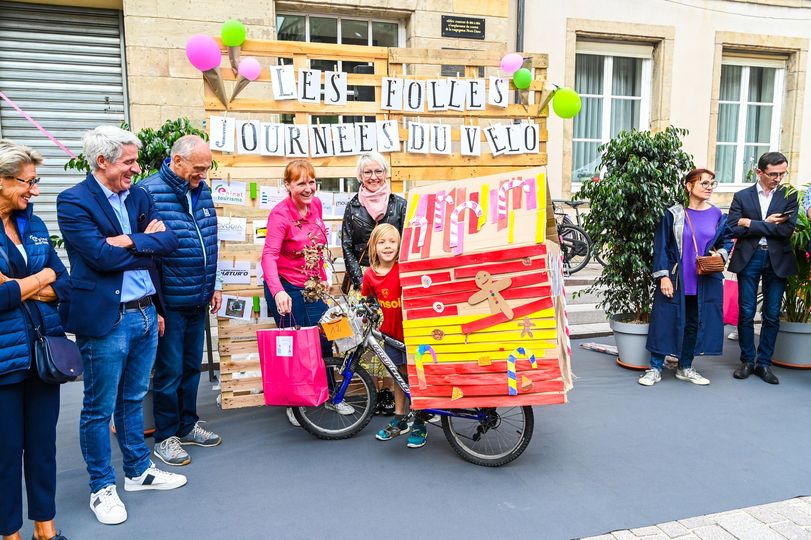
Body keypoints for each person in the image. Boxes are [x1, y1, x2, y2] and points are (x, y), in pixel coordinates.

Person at [56, 126, 183, 526]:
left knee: (132, 400)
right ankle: (101, 487)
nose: (136, 167)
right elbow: (98, 257)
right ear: (102, 161)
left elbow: (170, 242)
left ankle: (138, 471)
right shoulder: (72, 201)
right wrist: (141, 240)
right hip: (106, 319)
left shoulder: (140, 195)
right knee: (98, 409)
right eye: (128, 161)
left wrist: (125, 242)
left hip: (146, 311)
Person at [139, 135, 223, 468]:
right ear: (177, 161)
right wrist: (153, 303)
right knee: (169, 370)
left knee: (191, 367)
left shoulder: (201, 190)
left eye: (206, 168)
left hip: (198, 295)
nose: (202, 174)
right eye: (198, 168)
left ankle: (188, 424)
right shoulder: (148, 193)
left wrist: (214, 283)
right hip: (170, 299)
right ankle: (166, 436)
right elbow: (143, 252)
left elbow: (210, 240)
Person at [0, 141, 70, 540]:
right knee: (6, 453)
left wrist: (32, 282)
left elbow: (65, 284)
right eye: (27, 182)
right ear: (1, 181)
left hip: (45, 353)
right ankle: (10, 533)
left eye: (36, 181)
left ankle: (46, 528)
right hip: (3, 360)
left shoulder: (36, 226)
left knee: (42, 448)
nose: (35, 190)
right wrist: (41, 279)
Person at [261, 159, 354, 426]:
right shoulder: (280, 215)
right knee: (295, 348)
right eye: (301, 182)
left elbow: (316, 248)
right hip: (286, 286)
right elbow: (269, 255)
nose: (308, 188)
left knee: (324, 339)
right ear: (288, 185)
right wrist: (278, 292)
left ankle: (332, 396)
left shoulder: (317, 206)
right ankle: (295, 401)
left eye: (311, 181)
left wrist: (323, 278)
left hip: (311, 286)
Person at [640, 168, 733, 387]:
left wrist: (720, 253)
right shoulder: (674, 213)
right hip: (676, 278)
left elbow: (727, 240)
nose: (709, 188)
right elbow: (661, 246)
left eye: (712, 183)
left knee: (694, 323)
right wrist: (663, 277)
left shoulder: (717, 214)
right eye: (704, 183)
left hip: (704, 281)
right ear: (689, 186)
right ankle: (654, 368)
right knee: (664, 321)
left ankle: (686, 366)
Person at [341, 152, 406, 414]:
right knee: (368, 339)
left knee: (392, 336)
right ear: (359, 176)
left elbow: (408, 242)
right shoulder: (352, 206)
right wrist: (362, 280)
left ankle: (392, 393)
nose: (373, 177)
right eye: (367, 172)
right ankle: (377, 391)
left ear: (386, 173)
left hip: (393, 279)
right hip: (365, 280)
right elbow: (346, 246)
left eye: (378, 171)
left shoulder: (399, 205)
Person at [728, 152, 798, 385]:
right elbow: (733, 229)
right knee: (747, 311)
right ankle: (747, 360)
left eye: (782, 174)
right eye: (773, 174)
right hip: (750, 257)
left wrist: (750, 223)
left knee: (771, 314)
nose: (778, 178)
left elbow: (785, 231)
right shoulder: (741, 196)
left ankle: (764, 363)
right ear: (760, 172)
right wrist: (767, 224)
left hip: (777, 259)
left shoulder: (790, 196)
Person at [361, 224, 426, 447]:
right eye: (382, 242)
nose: (387, 246)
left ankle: (419, 421)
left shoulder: (404, 268)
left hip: (412, 334)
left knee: (415, 378)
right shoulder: (370, 274)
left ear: (399, 245)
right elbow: (367, 300)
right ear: (374, 246)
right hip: (390, 335)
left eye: (392, 241)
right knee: (399, 377)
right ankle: (400, 419)